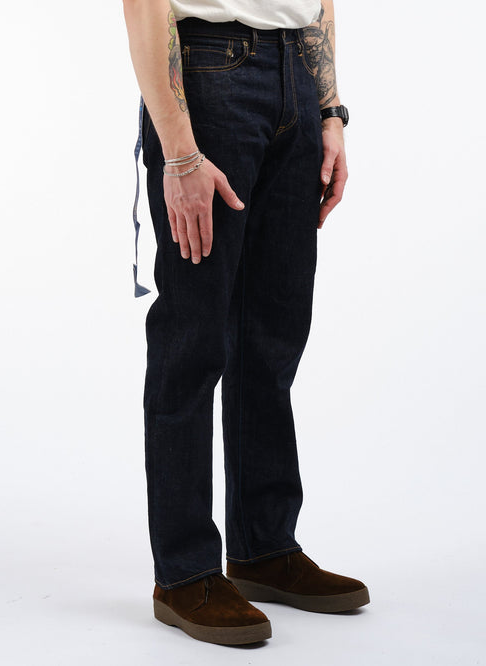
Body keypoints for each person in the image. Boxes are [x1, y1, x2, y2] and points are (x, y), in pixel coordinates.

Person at [122, 0, 370, 645]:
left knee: (272, 338)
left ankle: (264, 548)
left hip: (298, 76)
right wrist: (179, 150)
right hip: (207, 74)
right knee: (193, 337)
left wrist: (329, 110)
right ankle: (185, 573)